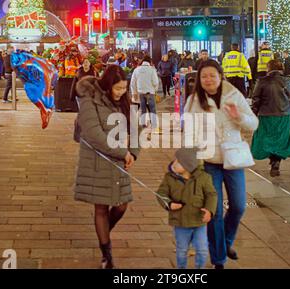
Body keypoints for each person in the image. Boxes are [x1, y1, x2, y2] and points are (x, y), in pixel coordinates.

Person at [185, 60, 258, 269]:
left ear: (220, 76)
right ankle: (218, 259)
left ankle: (225, 242)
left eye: (212, 75)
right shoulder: (193, 101)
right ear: (199, 79)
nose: (208, 80)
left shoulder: (234, 96)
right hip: (207, 163)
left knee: (238, 205)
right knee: (214, 212)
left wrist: (239, 117)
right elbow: (188, 135)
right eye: (204, 76)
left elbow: (254, 123)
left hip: (233, 159)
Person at [73, 65, 140, 269]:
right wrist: (123, 153)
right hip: (97, 160)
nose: (121, 92)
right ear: (107, 84)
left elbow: (135, 128)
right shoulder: (89, 100)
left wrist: (133, 153)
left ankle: (103, 235)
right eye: (117, 88)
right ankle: (107, 253)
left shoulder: (124, 101)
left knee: (121, 205)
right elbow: (93, 134)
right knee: (101, 206)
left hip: (118, 161)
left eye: (124, 88)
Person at [156, 148, 217, 269]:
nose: (173, 163)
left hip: (199, 222)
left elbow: (212, 194)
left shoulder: (204, 178)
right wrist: (169, 204)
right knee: (182, 250)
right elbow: (161, 193)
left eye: (178, 161)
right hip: (181, 222)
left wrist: (209, 210)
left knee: (202, 249)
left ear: (188, 166)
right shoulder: (169, 178)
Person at [251, 60, 290, 177]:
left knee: (266, 137)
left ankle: (272, 158)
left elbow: (256, 98)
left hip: (266, 114)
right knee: (280, 138)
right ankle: (276, 161)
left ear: (268, 69)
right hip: (283, 114)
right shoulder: (287, 81)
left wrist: (254, 112)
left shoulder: (262, 81)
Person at [130, 55, 160, 132]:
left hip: (140, 93)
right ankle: (154, 125)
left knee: (143, 110)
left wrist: (134, 93)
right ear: (149, 62)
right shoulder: (152, 70)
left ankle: (143, 124)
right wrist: (155, 90)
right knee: (152, 109)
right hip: (150, 93)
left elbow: (133, 82)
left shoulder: (137, 70)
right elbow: (156, 82)